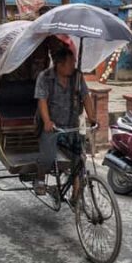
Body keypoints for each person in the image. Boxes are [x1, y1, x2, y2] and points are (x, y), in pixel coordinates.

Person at [34, 46, 97, 196]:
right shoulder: (45, 77)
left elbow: (86, 98)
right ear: (60, 64)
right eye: (71, 63)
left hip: (72, 125)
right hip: (52, 125)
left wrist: (93, 118)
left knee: (79, 158)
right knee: (48, 156)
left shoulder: (77, 77)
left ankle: (76, 194)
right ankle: (40, 178)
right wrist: (47, 121)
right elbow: (42, 101)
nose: (74, 66)